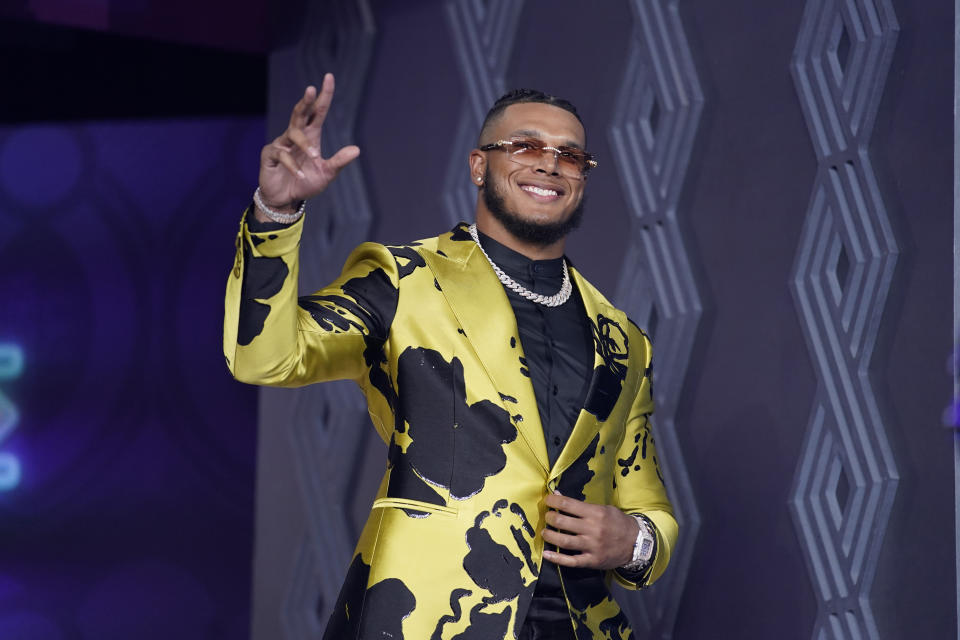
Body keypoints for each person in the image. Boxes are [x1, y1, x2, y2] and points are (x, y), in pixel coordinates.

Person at [224, 73, 677, 640]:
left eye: (570, 155)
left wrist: (633, 542)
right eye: (525, 147)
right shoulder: (404, 280)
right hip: (424, 617)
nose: (549, 164)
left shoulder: (623, 339)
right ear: (478, 166)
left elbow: (649, 506)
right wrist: (275, 213)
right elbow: (267, 357)